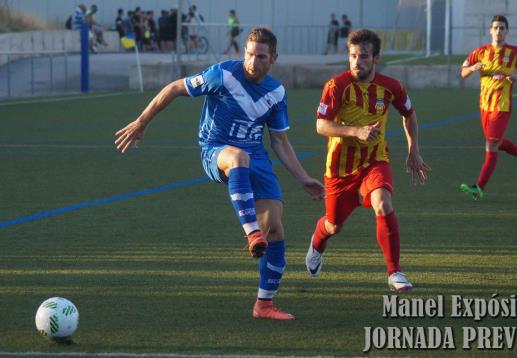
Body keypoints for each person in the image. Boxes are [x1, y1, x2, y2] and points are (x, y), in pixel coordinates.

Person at [115, 27, 324, 320]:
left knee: (275, 228)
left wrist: (303, 178)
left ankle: (264, 305)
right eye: (249, 54)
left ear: (273, 58)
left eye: (261, 56)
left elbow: (279, 141)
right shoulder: (223, 74)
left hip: (258, 157)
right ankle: (251, 232)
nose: (253, 61)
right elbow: (175, 88)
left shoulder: (276, 92)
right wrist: (142, 121)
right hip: (217, 150)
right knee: (239, 158)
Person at [305, 29, 430, 292]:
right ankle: (318, 239)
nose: (356, 62)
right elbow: (320, 125)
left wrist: (413, 149)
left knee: (383, 203)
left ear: (376, 58)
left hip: (375, 160)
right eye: (352, 56)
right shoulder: (336, 86)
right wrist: (355, 131)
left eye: (363, 56)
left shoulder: (392, 86)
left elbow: (409, 114)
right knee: (334, 225)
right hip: (340, 168)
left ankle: (394, 272)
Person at [460, 15, 517, 200]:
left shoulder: (515, 52)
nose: (499, 31)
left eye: (502, 28)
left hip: (501, 105)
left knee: (491, 144)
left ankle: (479, 188)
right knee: (496, 142)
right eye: (496, 27)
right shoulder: (481, 51)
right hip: (484, 105)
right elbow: (463, 72)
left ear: (507, 31)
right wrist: (472, 69)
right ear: (490, 30)